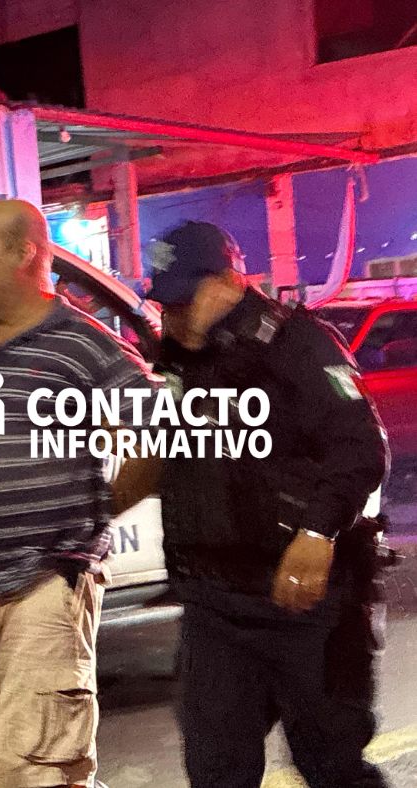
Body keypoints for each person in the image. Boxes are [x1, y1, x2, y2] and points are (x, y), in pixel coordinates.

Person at [145, 220, 390, 788]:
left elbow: (362, 447)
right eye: (165, 302)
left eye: (184, 300)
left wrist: (317, 533)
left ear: (229, 281)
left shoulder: (297, 343)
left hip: (305, 605)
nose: (172, 315)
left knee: (332, 767)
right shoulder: (182, 357)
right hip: (215, 606)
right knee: (216, 770)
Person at [0, 199, 158, 788]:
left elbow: (160, 438)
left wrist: (93, 518)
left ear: (23, 253)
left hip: (44, 583)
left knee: (37, 772)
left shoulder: (85, 344)